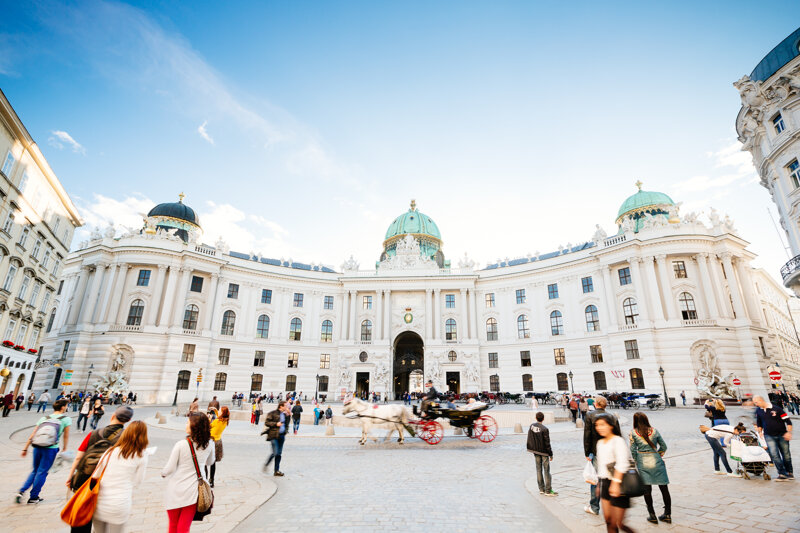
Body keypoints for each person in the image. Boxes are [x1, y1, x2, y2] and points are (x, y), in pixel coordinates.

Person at [66, 406, 134, 533]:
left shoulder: (94, 433)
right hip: (106, 483)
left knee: (81, 518)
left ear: (113, 416)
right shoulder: (126, 438)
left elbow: (78, 457)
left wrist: (71, 477)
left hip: (85, 480)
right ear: (128, 420)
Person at [87, 421, 149, 533]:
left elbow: (95, 475)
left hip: (99, 502)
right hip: (120, 503)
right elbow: (138, 482)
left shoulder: (110, 451)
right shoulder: (141, 455)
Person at [162, 412, 215, 533]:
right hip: (194, 490)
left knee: (173, 524)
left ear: (194, 425)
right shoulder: (210, 444)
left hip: (176, 488)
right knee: (184, 526)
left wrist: (163, 473)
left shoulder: (181, 444)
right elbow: (210, 462)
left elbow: (169, 468)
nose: (186, 424)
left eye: (188, 422)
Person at [17, 398, 71, 504]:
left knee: (34, 470)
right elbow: (66, 436)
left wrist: (25, 448)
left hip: (37, 446)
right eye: (66, 406)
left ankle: (22, 491)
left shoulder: (44, 418)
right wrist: (65, 448)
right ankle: (33, 497)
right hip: (50, 448)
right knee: (42, 472)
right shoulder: (66, 419)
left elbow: (33, 434)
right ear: (63, 407)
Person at [594, 413, 634, 533]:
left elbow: (622, 463)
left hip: (620, 483)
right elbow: (601, 466)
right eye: (597, 425)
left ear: (611, 425)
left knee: (618, 523)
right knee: (608, 520)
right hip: (605, 482)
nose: (599, 427)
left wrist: (615, 483)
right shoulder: (600, 443)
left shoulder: (618, 441)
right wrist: (599, 484)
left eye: (602, 424)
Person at [630, 412, 671, 524]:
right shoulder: (654, 431)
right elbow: (664, 446)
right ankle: (667, 514)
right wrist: (659, 454)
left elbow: (633, 450)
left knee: (647, 490)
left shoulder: (633, 433)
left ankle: (652, 515)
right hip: (656, 459)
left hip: (643, 461)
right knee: (664, 488)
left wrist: (636, 460)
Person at [583, 396, 620, 516]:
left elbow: (587, 435)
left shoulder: (590, 415)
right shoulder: (613, 417)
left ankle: (594, 506)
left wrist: (587, 453)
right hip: (612, 451)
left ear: (597, 404)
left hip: (597, 451)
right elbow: (618, 435)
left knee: (596, 480)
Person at [754, 395, 793, 481]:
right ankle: (782, 473)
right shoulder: (758, 410)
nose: (756, 404)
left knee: (786, 455)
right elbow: (759, 422)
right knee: (775, 455)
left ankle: (789, 472)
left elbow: (788, 421)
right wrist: (760, 431)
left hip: (782, 435)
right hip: (769, 435)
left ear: (761, 400)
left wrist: (788, 433)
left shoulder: (777, 409)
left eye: (756, 402)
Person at [527, 412, 556, 496]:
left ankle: (541, 489)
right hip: (544, 452)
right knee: (546, 471)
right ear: (543, 419)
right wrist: (550, 454)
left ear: (536, 418)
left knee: (538, 469)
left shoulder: (532, 426)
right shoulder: (544, 429)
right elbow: (547, 443)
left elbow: (530, 438)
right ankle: (548, 490)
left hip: (536, 451)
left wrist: (531, 448)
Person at [264, 400, 290, 476]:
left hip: (282, 436)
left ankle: (276, 471)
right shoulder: (272, 413)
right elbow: (267, 423)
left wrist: (289, 414)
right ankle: (267, 464)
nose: (287, 407)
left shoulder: (284, 414)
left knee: (279, 454)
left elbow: (286, 424)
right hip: (274, 435)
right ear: (281, 406)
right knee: (275, 453)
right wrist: (276, 424)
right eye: (285, 406)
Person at [206, 406, 228, 488]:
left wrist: (209, 418)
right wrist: (215, 409)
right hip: (218, 441)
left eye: (219, 411)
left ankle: (205, 479)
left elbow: (208, 427)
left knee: (204, 461)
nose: (218, 411)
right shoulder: (225, 421)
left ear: (222, 413)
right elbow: (220, 416)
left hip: (210, 441)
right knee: (213, 462)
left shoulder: (216, 421)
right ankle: (212, 481)